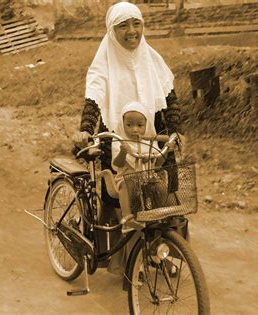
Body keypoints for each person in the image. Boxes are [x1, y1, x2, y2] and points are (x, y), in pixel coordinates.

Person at [73, 1, 181, 275]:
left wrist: (176, 130)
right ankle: (127, 262)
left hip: (152, 141)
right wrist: (86, 128)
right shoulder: (103, 65)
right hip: (117, 141)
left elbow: (169, 99)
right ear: (112, 31)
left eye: (137, 24)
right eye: (123, 26)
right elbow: (94, 99)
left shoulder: (152, 59)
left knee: (165, 195)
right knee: (125, 201)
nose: (132, 31)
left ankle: (165, 253)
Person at [111, 101, 170, 233]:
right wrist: (123, 152)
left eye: (139, 125)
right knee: (124, 185)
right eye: (129, 125)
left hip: (146, 177)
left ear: (146, 125)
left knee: (160, 183)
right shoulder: (120, 141)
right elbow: (117, 164)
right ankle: (127, 218)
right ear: (122, 125)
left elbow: (158, 164)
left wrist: (166, 151)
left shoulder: (149, 142)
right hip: (126, 178)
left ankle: (160, 212)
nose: (134, 129)